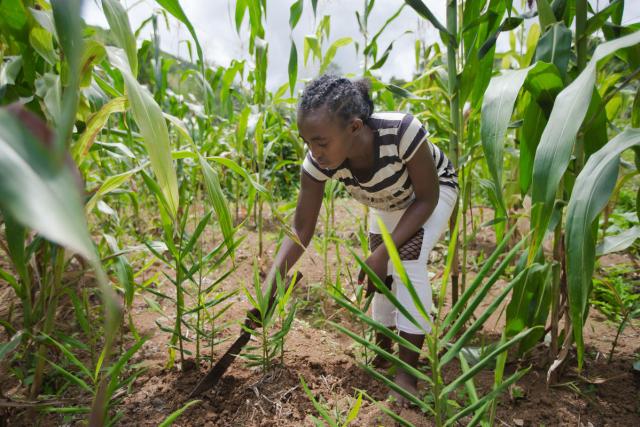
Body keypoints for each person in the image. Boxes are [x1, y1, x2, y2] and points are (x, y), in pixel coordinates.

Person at [256, 74, 458, 402]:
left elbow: (426, 198)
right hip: (387, 202)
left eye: (321, 142)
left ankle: (407, 374)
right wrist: (272, 281)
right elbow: (301, 228)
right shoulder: (320, 161)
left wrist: (382, 255)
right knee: (380, 279)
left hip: (430, 194)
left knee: (404, 261)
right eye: (307, 142)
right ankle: (382, 352)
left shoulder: (401, 131)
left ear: (354, 127)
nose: (313, 152)